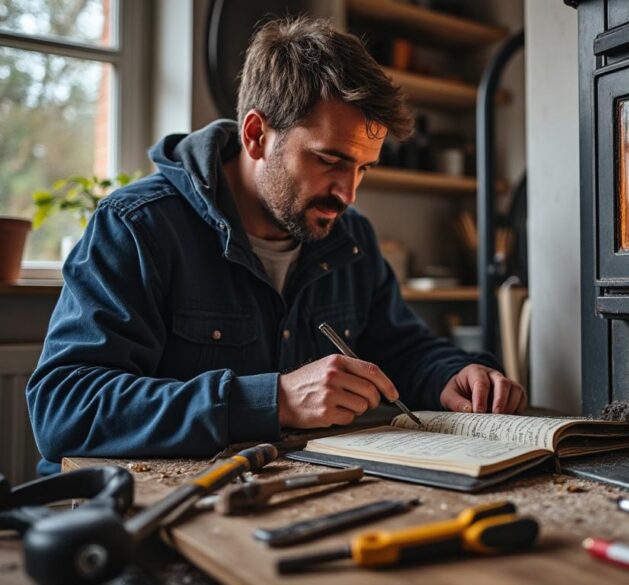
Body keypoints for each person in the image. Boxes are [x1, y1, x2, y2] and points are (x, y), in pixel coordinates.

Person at [26, 17, 525, 475]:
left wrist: (452, 373)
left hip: (281, 491)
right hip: (135, 512)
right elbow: (64, 408)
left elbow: (399, 348)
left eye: (363, 168)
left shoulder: (350, 239)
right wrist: (274, 400)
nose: (349, 194)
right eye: (330, 160)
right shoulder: (138, 226)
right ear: (256, 135)